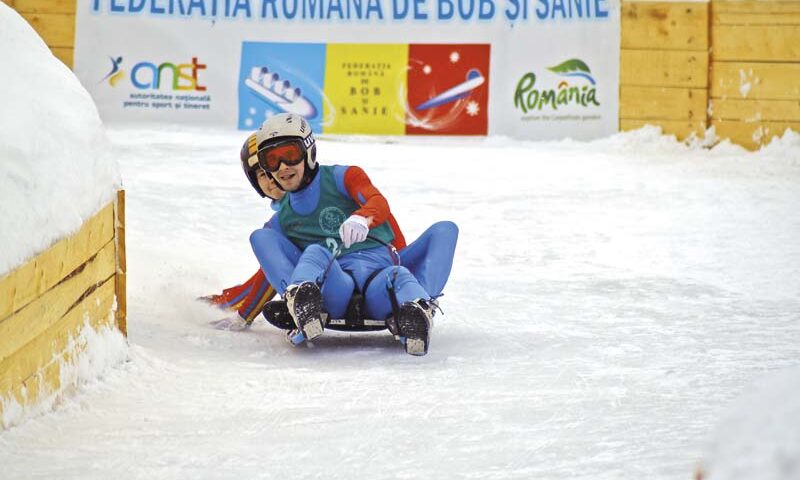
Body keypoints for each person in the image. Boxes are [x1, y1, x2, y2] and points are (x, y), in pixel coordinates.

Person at [246, 113, 457, 356]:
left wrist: (363, 217)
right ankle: (300, 302)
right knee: (264, 238)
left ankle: (418, 307)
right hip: (336, 287)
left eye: (290, 154)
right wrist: (239, 311)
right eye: (272, 161)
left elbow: (378, 202)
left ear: (308, 151)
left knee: (444, 231)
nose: (283, 167)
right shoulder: (281, 221)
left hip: (380, 280)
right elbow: (265, 277)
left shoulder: (342, 178)